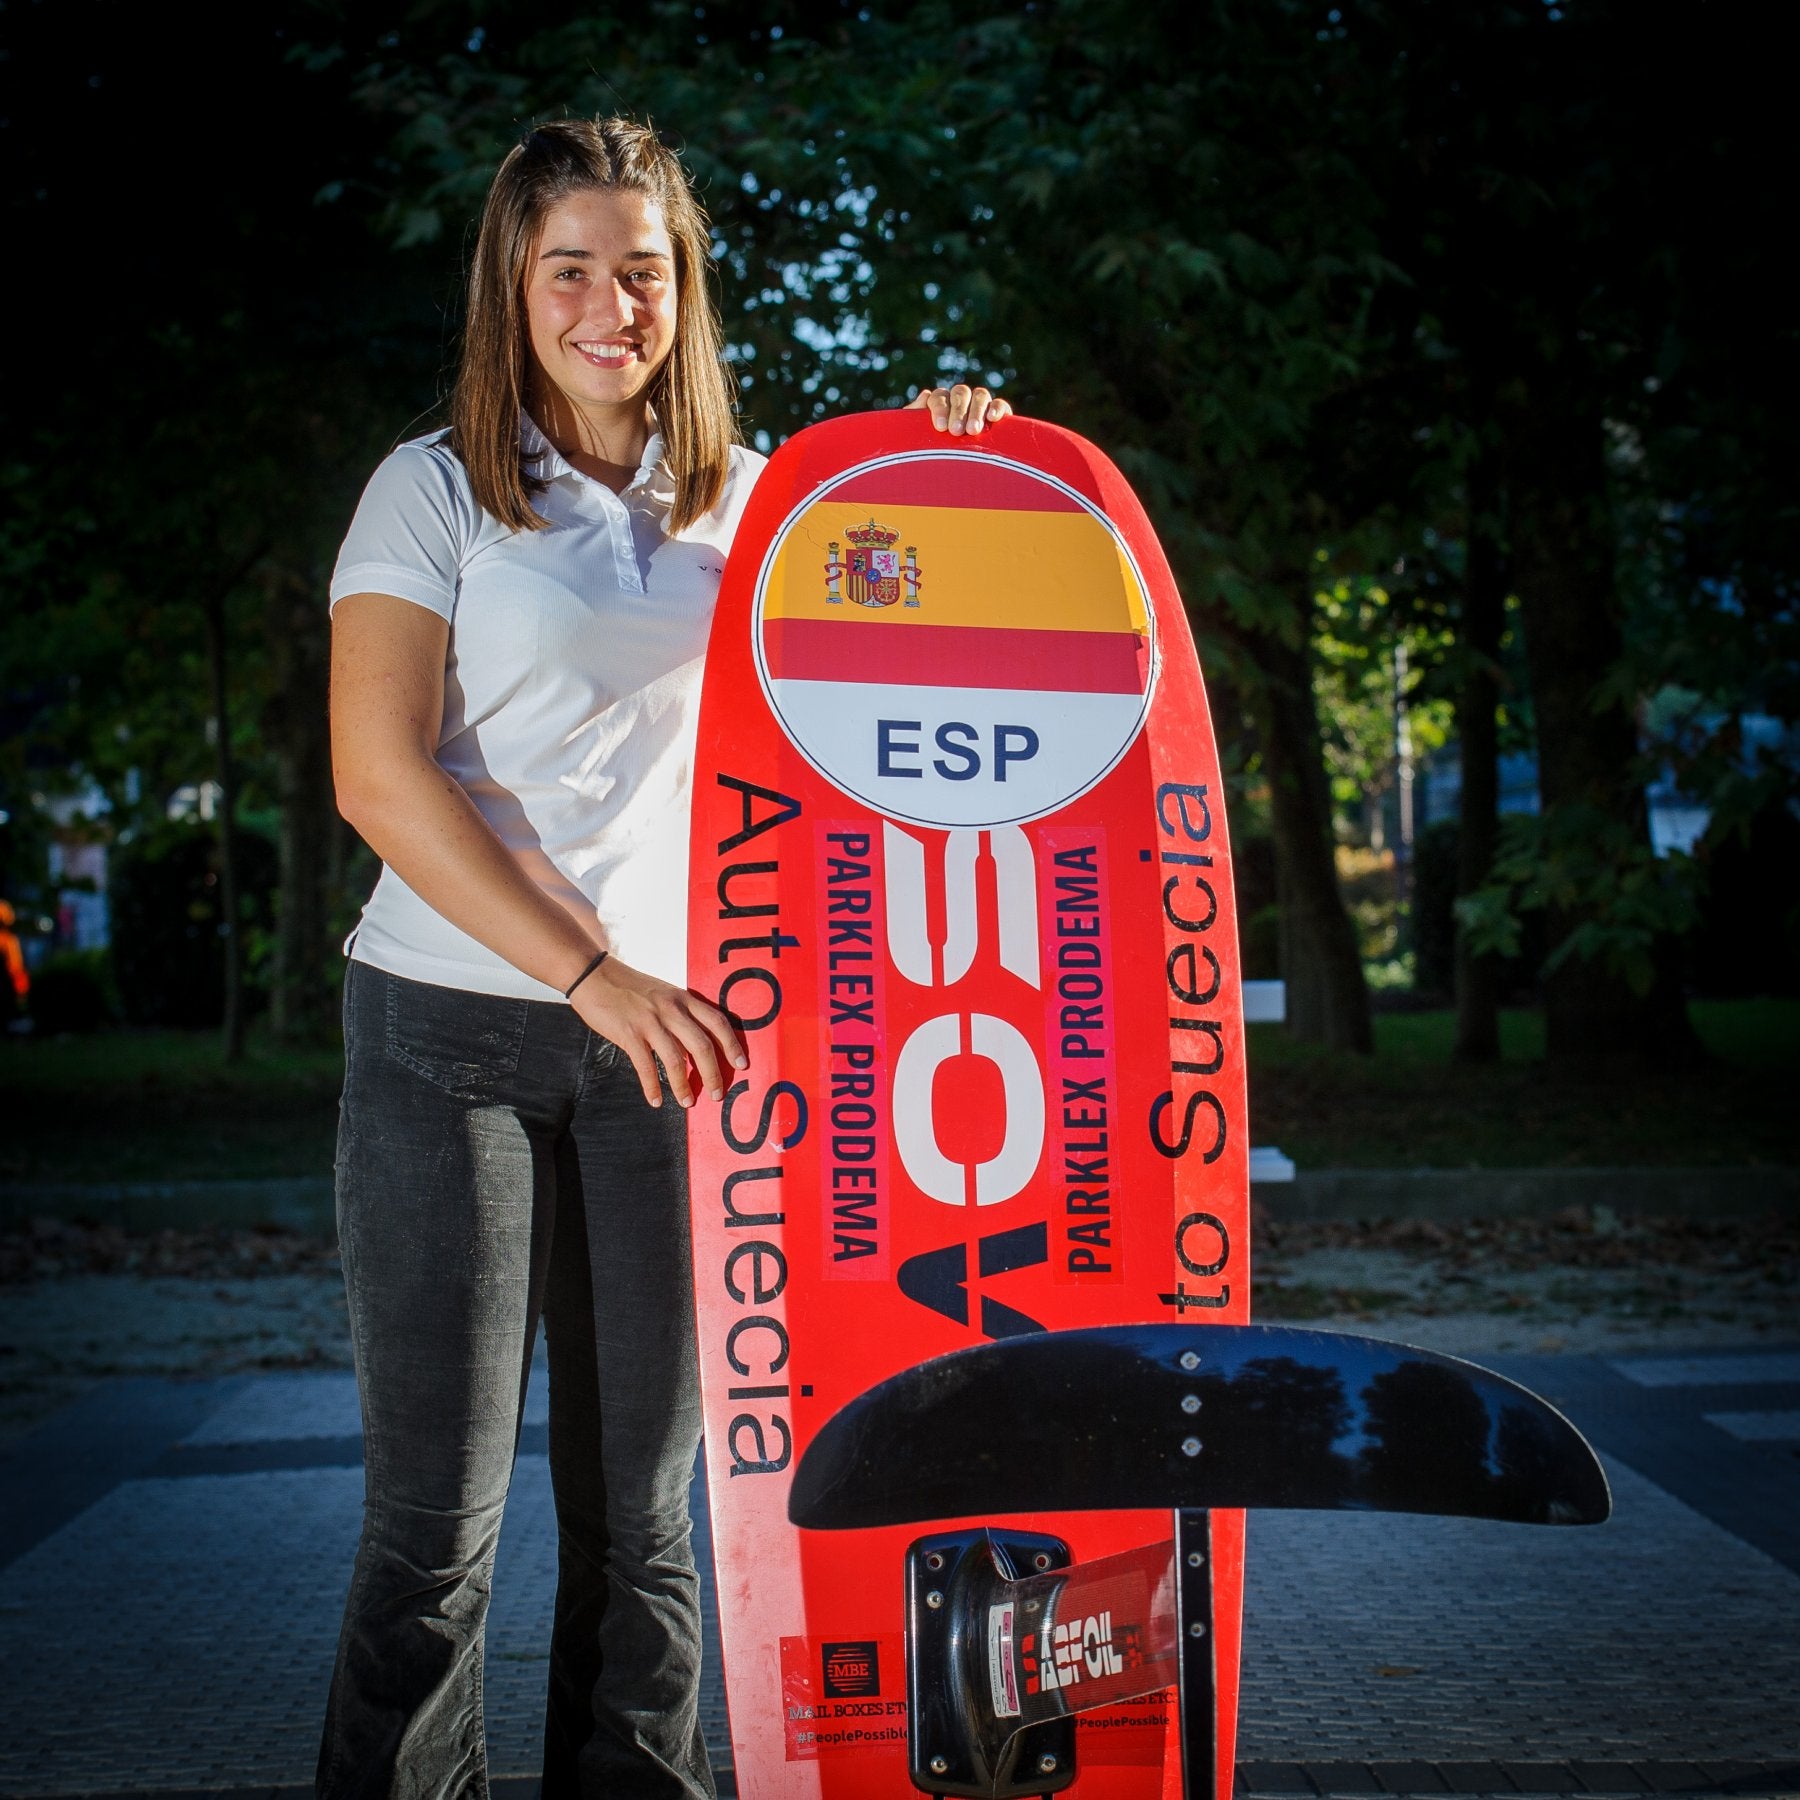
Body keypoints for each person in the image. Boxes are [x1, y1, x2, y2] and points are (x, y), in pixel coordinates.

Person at [321, 116, 1010, 1799]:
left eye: (645, 269)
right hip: (447, 1038)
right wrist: (587, 971)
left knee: (645, 1528)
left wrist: (951, 458)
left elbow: (922, 623)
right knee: (437, 1536)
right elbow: (379, 774)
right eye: (572, 268)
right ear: (515, 285)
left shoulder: (761, 500)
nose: (610, 302)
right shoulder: (432, 488)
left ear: (684, 289)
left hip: (679, 1058)